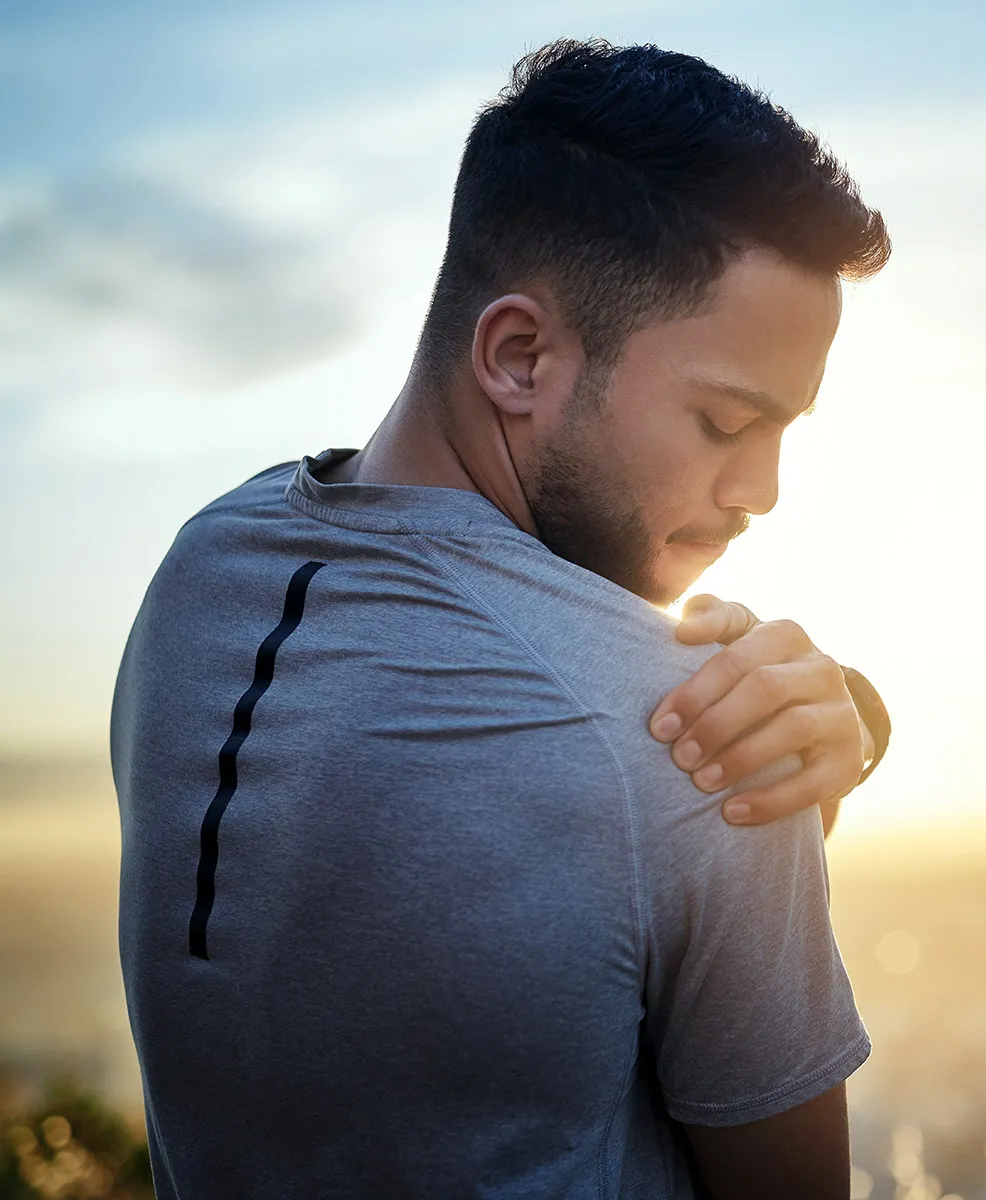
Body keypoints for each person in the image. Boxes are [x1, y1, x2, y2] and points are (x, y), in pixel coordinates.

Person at [111, 39, 893, 1199]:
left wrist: (854, 721)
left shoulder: (198, 575)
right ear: (519, 357)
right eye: (727, 424)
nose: (760, 492)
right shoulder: (703, 743)